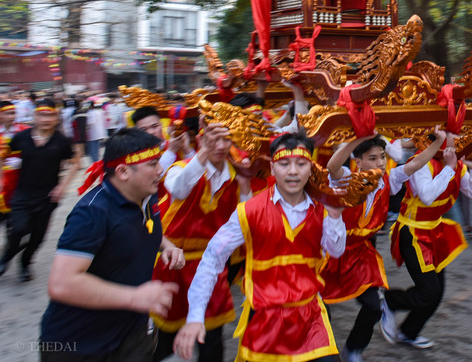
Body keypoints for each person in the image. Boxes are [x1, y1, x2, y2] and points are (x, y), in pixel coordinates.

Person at [173, 132, 346, 362]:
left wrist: (335, 217)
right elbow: (212, 258)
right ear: (273, 168)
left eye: (301, 164)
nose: (293, 171)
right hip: (265, 319)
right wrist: (195, 316)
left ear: (311, 167)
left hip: (310, 316)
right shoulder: (250, 211)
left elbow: (335, 250)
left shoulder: (322, 208)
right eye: (284, 164)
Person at [39, 128, 184, 361]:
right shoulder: (92, 212)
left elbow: (144, 229)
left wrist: (167, 246)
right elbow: (62, 284)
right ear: (124, 171)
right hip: (81, 344)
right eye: (153, 164)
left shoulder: (147, 196)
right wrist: (134, 297)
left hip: (132, 335)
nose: (161, 170)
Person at [324, 129, 448, 362]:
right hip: (330, 251)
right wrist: (359, 138)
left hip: (361, 254)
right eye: (373, 158)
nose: (380, 162)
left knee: (373, 305)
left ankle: (354, 349)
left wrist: (438, 142)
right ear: (357, 161)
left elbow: (414, 165)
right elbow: (332, 166)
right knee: (319, 309)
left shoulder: (388, 180)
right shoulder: (346, 179)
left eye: (382, 156)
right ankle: (323, 351)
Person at [151, 122, 251, 362]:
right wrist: (203, 153)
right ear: (201, 139)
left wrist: (246, 184)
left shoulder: (237, 177)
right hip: (174, 262)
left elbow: (246, 219)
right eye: (212, 139)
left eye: (226, 139)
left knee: (212, 339)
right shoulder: (180, 168)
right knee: (167, 336)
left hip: (211, 267)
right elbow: (179, 189)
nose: (220, 146)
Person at [380, 134, 472, 349]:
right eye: (454, 137)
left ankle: (409, 332)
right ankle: (389, 301)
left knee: (436, 293)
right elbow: (427, 196)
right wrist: (449, 168)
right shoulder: (420, 162)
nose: (459, 141)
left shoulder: (456, 163)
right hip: (413, 232)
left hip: (435, 231)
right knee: (429, 291)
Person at [0, 100, 80, 282]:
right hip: (21, 194)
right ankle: (5, 258)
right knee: (18, 229)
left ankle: (25, 263)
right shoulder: (21, 137)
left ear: (56, 117)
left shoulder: (62, 141)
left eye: (50, 115)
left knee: (37, 237)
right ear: (35, 116)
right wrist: (2, 179)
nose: (46, 119)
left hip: (47, 197)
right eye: (42, 115)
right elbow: (2, 157)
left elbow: (76, 164)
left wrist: (62, 186)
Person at [131, 106, 196, 179]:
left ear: (161, 125)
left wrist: (187, 150)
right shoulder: (135, 154)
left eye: (154, 126)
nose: (151, 132)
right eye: (144, 129)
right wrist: (171, 151)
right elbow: (152, 177)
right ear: (137, 131)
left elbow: (197, 172)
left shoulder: (175, 143)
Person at [0, 100, 29, 220]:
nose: (11, 117)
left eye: (13, 113)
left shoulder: (24, 131)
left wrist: (23, 161)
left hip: (21, 177)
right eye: (8, 113)